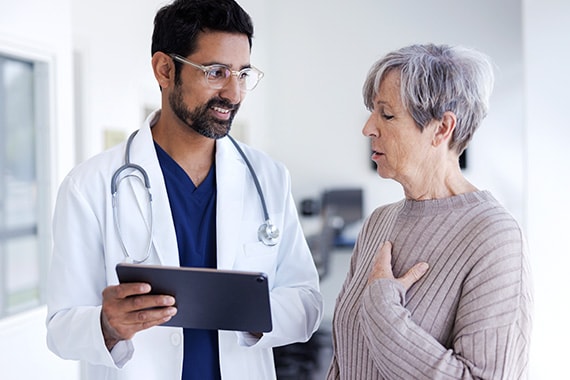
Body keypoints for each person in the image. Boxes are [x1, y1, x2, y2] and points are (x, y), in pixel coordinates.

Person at [46, 1, 323, 379]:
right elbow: (61, 328)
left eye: (242, 73)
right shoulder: (89, 186)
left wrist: (253, 313)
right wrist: (107, 326)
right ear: (164, 70)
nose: (234, 93)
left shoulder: (269, 178)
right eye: (216, 72)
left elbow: (308, 302)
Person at [326, 44, 532, 379]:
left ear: (441, 128)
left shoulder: (495, 237)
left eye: (387, 114)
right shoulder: (379, 222)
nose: (368, 128)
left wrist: (384, 308)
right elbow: (346, 360)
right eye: (372, 112)